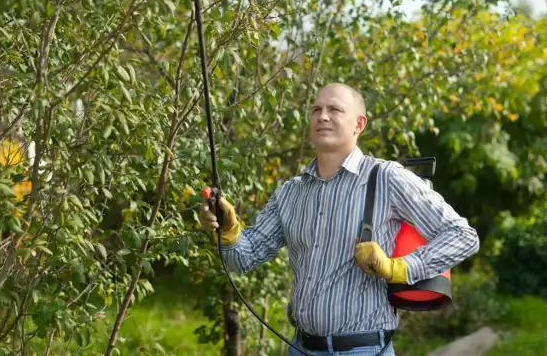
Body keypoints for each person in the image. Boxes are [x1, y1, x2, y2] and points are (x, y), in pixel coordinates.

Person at [199, 83, 480, 355]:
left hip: (364, 350)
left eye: (334, 109)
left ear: (359, 124)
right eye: (316, 109)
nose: (322, 116)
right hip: (301, 347)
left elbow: (463, 236)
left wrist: (400, 268)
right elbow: (243, 259)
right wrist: (229, 232)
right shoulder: (290, 192)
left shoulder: (386, 178)